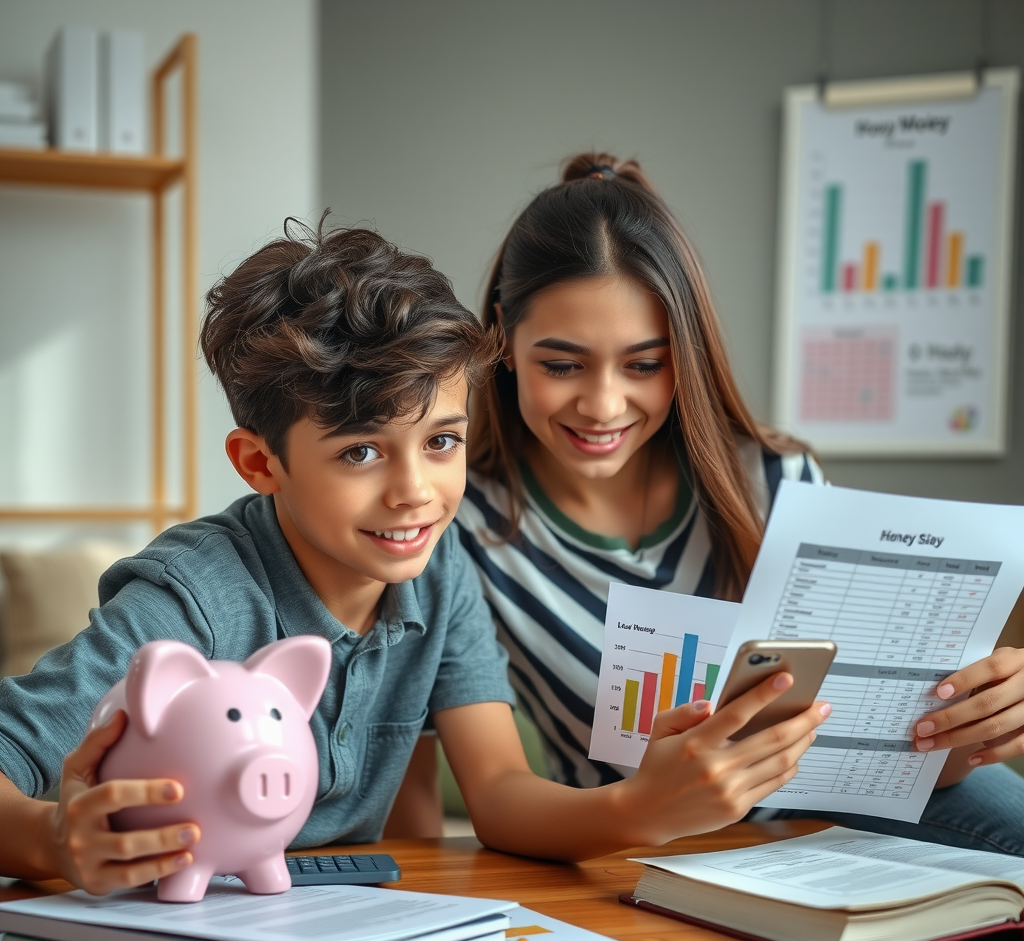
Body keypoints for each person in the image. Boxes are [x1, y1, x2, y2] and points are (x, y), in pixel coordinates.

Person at [0, 220, 829, 894]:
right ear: (260, 463)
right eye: (361, 452)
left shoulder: (440, 568)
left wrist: (644, 804)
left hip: (336, 929)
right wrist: (53, 839)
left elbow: (498, 794)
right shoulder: (196, 595)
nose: (416, 493)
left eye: (441, 442)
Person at [455, 153, 1024, 855]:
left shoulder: (779, 480)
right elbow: (495, 795)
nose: (602, 404)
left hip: (817, 826)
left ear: (685, 354)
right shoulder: (459, 526)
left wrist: (973, 725)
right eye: (563, 364)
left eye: (644, 364)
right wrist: (640, 810)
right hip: (622, 846)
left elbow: (874, 754)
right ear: (504, 338)